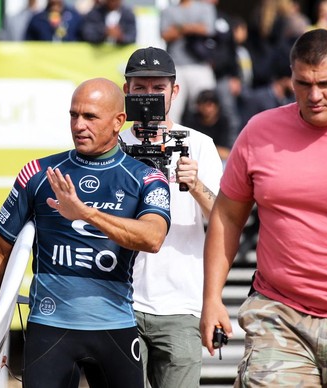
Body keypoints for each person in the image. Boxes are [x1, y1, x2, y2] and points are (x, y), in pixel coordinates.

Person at [0, 77, 171, 388]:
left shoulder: (145, 178)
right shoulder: (38, 173)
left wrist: (86, 213)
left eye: (90, 116)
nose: (79, 125)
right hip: (50, 329)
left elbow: (153, 238)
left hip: (115, 329)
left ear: (119, 121)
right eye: (73, 115)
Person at [201, 28, 327, 386]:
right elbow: (228, 215)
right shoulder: (260, 131)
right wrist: (212, 297)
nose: (315, 95)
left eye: (326, 83)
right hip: (279, 313)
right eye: (303, 83)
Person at [119, 47, 223, 388]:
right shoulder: (112, 143)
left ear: (174, 91)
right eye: (140, 89)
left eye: (157, 88)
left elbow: (223, 217)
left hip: (181, 302)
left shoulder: (199, 144)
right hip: (120, 301)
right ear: (126, 90)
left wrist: (194, 184)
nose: (149, 97)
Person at [159, 0, 217, 124]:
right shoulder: (168, 10)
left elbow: (208, 29)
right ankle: (171, 141)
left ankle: (205, 140)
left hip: (200, 64)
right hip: (176, 66)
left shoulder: (205, 7)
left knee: (206, 107)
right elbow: (165, 34)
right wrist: (193, 27)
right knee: (172, 109)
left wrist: (180, 28)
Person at [183, 88, 232, 161]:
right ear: (198, 106)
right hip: (195, 159)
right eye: (205, 104)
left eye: (211, 104)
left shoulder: (223, 122)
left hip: (218, 159)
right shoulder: (191, 120)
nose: (208, 108)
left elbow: (226, 152)